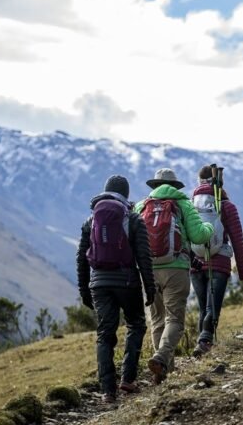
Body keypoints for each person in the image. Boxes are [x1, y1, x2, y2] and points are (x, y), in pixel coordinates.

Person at [76, 175, 155, 404]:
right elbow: (144, 257)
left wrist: (84, 290)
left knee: (105, 334)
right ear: (126, 195)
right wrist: (149, 288)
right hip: (128, 282)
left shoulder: (90, 220)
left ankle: (107, 391)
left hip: (99, 284)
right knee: (136, 324)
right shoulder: (133, 219)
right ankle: (128, 379)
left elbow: (81, 258)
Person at [134, 168, 214, 384]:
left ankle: (163, 370)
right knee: (175, 319)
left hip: (149, 271)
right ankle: (161, 357)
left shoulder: (141, 206)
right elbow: (199, 235)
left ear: (154, 186)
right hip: (176, 268)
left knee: (157, 318)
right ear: (176, 186)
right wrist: (209, 227)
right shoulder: (183, 204)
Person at [190, 165, 243, 357]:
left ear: (199, 182)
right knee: (212, 307)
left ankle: (202, 344)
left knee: (203, 308)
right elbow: (237, 240)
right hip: (219, 263)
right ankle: (205, 342)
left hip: (196, 264)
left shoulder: (191, 205)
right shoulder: (227, 206)